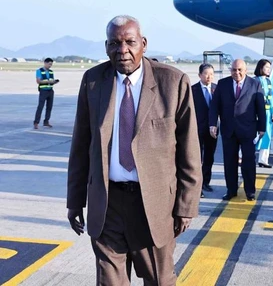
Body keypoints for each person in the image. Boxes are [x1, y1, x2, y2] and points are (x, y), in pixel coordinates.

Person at [67, 15, 202, 285]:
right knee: (109, 281)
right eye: (115, 43)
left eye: (130, 42)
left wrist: (186, 206)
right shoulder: (94, 81)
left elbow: (189, 149)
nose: (123, 50)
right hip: (108, 203)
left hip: (152, 204)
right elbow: (81, 145)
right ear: (106, 47)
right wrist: (75, 200)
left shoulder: (173, 83)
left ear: (143, 43)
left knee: (159, 280)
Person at [209, 59, 266, 201]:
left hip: (248, 130)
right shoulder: (223, 84)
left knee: (248, 162)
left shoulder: (255, 84)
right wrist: (213, 124)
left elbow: (260, 107)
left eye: (240, 70)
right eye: (234, 70)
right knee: (229, 162)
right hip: (229, 130)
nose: (237, 72)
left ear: (246, 70)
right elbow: (215, 106)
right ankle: (231, 190)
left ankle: (250, 191)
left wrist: (262, 127)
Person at [192, 63, 218, 198]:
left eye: (212, 74)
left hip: (212, 130)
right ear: (200, 75)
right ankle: (197, 186)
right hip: (197, 129)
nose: (209, 77)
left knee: (209, 157)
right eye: (206, 74)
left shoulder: (216, 89)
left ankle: (206, 182)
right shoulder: (192, 90)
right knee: (197, 159)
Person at [253, 59, 273, 168]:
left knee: (267, 136)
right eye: (266, 67)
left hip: (267, 113)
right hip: (257, 113)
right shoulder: (254, 81)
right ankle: (242, 156)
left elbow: (271, 99)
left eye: (269, 67)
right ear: (260, 68)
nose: (268, 70)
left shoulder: (268, 81)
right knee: (255, 135)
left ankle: (263, 160)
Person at [33, 58, 59, 129]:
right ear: (45, 63)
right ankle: (36, 122)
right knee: (40, 107)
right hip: (43, 91)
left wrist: (54, 82)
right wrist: (48, 82)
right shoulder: (39, 71)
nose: (50, 66)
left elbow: (51, 81)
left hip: (50, 90)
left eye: (51, 64)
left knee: (49, 107)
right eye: (49, 64)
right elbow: (38, 81)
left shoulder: (51, 72)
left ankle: (46, 121)